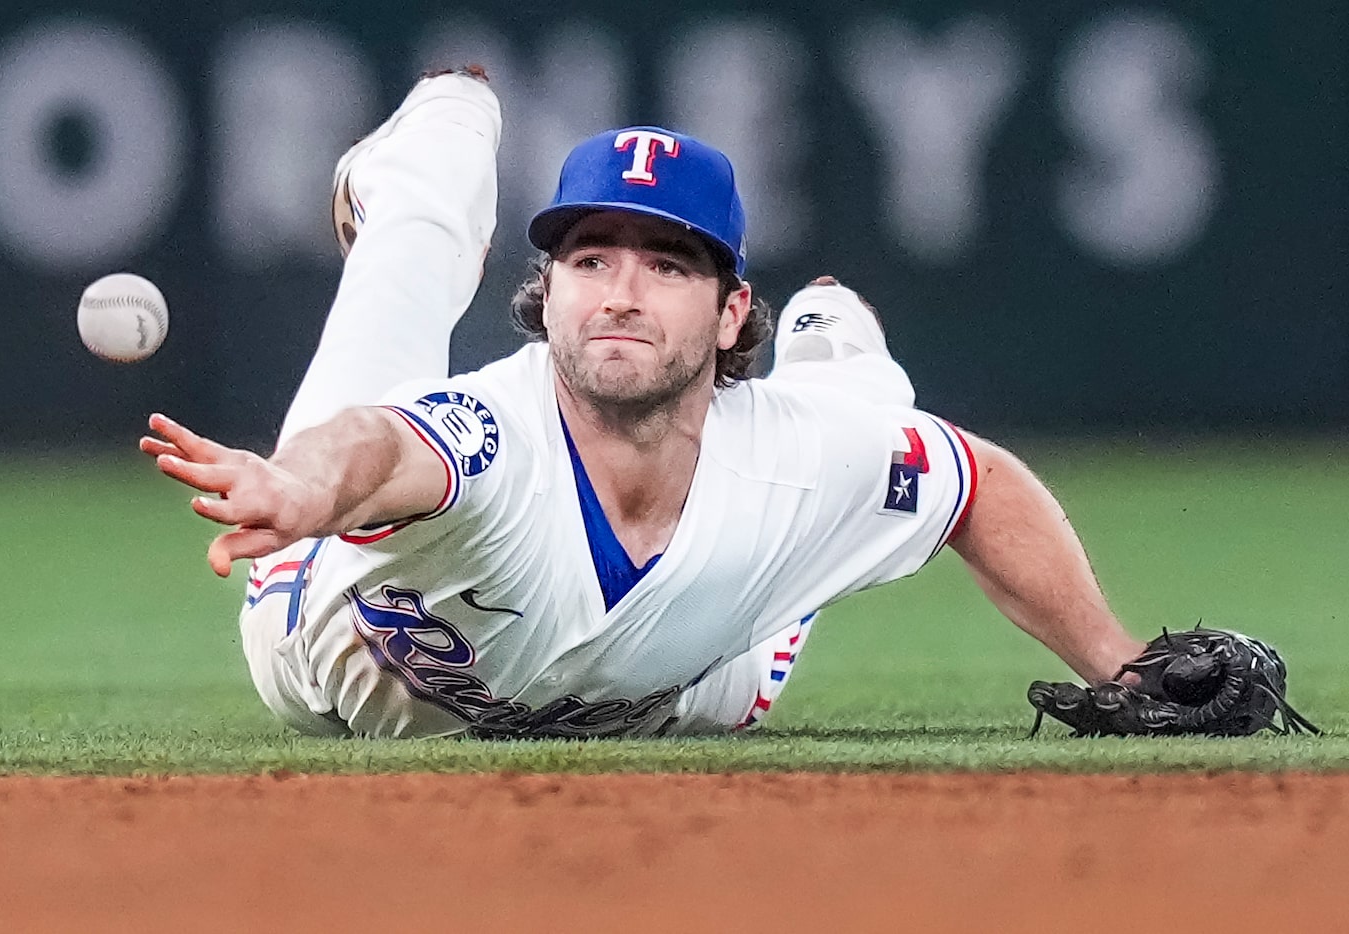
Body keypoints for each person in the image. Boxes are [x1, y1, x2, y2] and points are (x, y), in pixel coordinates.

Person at [142, 67, 1146, 739]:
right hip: (314, 638)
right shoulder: (490, 431)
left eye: (666, 264)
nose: (620, 291)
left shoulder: (789, 460)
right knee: (407, 256)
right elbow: (375, 444)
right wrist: (303, 489)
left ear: (728, 310)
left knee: (854, 443)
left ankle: (839, 358)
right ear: (550, 290)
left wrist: (1123, 667)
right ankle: (437, 137)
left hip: (680, 677)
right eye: (589, 258)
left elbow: (973, 483)